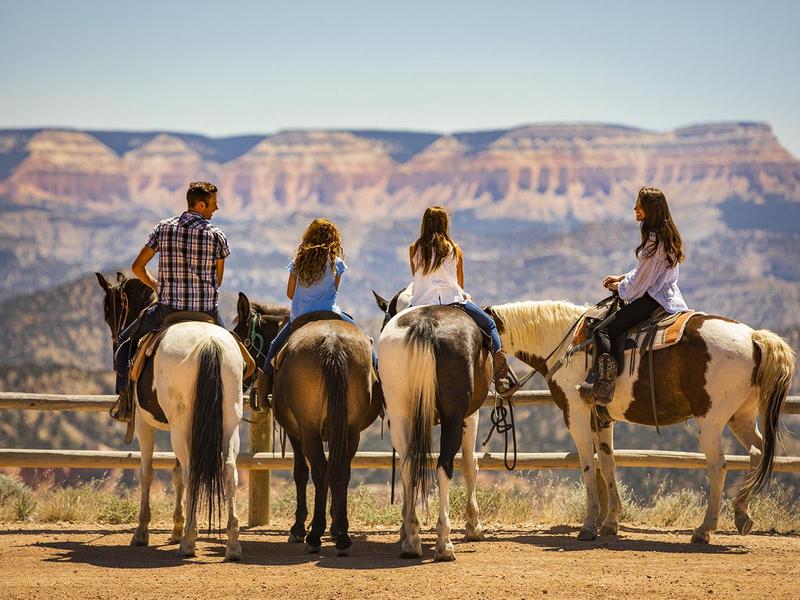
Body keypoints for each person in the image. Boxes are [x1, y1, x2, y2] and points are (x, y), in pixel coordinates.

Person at [110, 181, 230, 422]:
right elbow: (218, 280)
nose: (216, 209)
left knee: (124, 343)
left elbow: (137, 267)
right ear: (200, 204)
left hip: (167, 310)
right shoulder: (217, 236)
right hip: (207, 312)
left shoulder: (163, 229)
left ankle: (125, 402)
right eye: (213, 204)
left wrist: (156, 285)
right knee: (235, 354)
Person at [579, 187, 688, 404]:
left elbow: (639, 285)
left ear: (650, 209)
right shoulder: (667, 235)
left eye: (639, 204)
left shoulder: (654, 239)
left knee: (602, 331)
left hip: (651, 298)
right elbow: (646, 272)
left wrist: (619, 288)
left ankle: (605, 384)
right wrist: (621, 277)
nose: (635, 208)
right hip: (670, 297)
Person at [408, 206, 518, 396]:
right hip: (452, 301)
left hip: (421, 303)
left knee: (392, 323)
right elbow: (460, 282)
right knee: (490, 324)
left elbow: (415, 275)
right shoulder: (454, 249)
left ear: (424, 223)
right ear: (444, 224)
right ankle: (501, 376)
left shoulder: (414, 249)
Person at [262, 217, 376, 390]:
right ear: (333, 239)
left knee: (274, 347)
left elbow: (290, 293)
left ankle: (262, 390)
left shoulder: (297, 262)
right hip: (330, 313)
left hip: (300, 317)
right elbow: (334, 291)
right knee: (366, 341)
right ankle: (379, 378)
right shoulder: (336, 263)